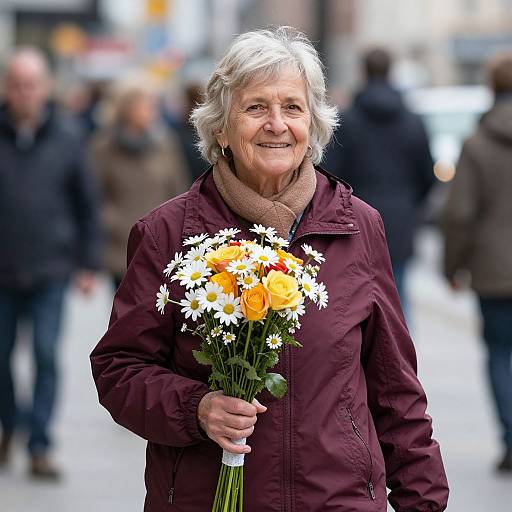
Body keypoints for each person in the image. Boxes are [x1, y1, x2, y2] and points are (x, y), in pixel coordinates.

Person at [91, 28, 448, 511]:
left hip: (336, 500)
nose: (276, 124)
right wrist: (196, 409)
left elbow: (396, 387)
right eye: (256, 107)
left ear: (313, 124)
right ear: (220, 127)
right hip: (207, 498)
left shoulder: (359, 227)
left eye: (293, 108)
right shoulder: (167, 232)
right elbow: (119, 370)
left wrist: (423, 501)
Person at [0, 47, 101, 479]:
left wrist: (87, 263)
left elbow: (87, 204)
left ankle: (39, 442)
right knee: (0, 357)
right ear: (8, 87)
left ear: (45, 87)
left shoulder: (68, 135)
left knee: (45, 353)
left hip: (50, 269)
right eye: (17, 84)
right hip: (2, 270)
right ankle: (10, 424)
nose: (25, 93)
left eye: (32, 84)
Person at [323, 47, 435, 317]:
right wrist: (409, 203)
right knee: (398, 294)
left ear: (364, 72)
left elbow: (330, 172)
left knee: (354, 295)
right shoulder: (413, 121)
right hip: (399, 218)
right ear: (391, 71)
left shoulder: (347, 121)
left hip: (354, 219)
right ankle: (401, 356)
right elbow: (428, 175)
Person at [441, 53, 512, 474]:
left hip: (494, 272)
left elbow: (459, 214)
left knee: (501, 354)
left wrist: (453, 268)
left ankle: (510, 437)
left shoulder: (479, 142)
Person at [91, 80, 189, 290]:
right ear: (128, 108)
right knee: (126, 313)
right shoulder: (104, 147)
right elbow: (93, 194)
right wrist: (111, 220)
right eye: (147, 105)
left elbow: (179, 189)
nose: (153, 111)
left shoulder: (164, 144)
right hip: (121, 245)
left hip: (159, 242)